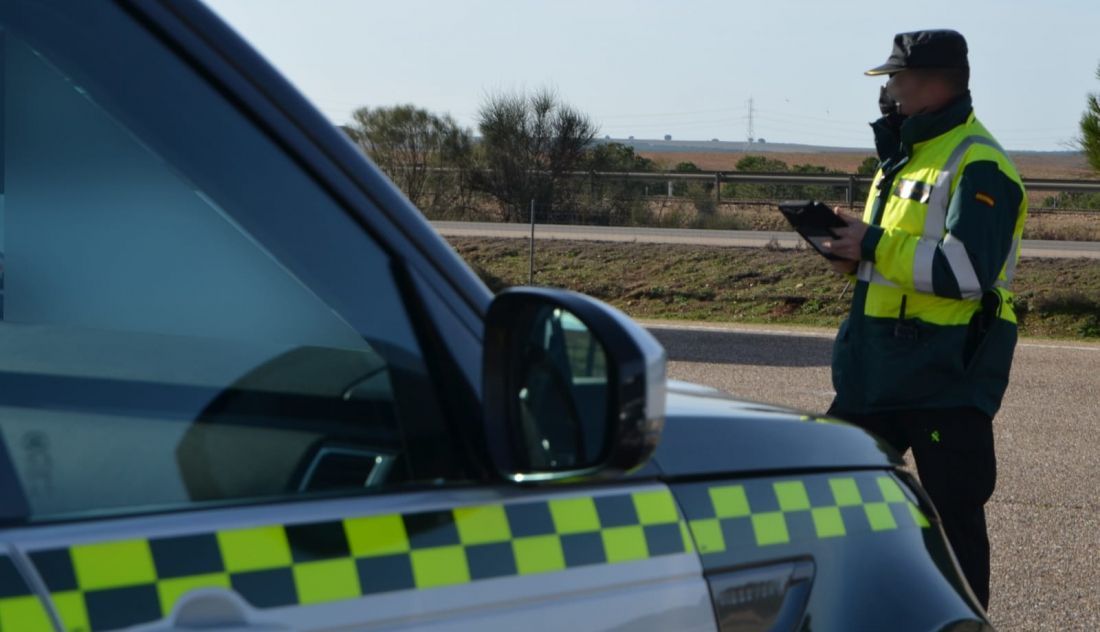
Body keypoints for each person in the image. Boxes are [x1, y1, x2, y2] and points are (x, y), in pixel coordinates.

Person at [823, 29, 1027, 610]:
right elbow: (893, 259)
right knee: (833, 486)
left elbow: (965, 271)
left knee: (953, 517)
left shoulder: (979, 164)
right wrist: (851, 255)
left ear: (933, 85)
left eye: (897, 77)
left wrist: (873, 243)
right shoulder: (904, 156)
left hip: (945, 372)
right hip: (877, 368)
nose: (888, 89)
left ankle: (963, 622)